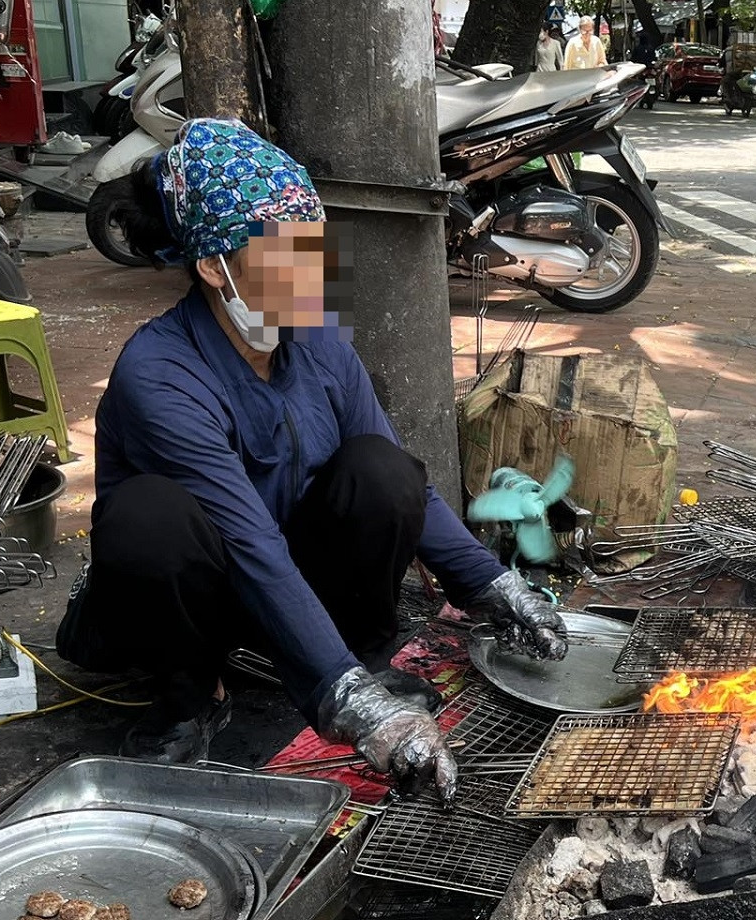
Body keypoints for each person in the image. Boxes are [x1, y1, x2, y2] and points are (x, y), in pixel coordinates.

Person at [55, 118, 568, 797]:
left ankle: (353, 658)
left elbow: (403, 482)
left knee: (383, 472)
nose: (312, 271)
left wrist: (493, 585)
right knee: (151, 516)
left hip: (291, 583)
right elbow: (247, 541)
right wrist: (346, 703)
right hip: (197, 597)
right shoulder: (160, 373)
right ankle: (189, 698)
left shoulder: (320, 343)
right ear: (214, 266)